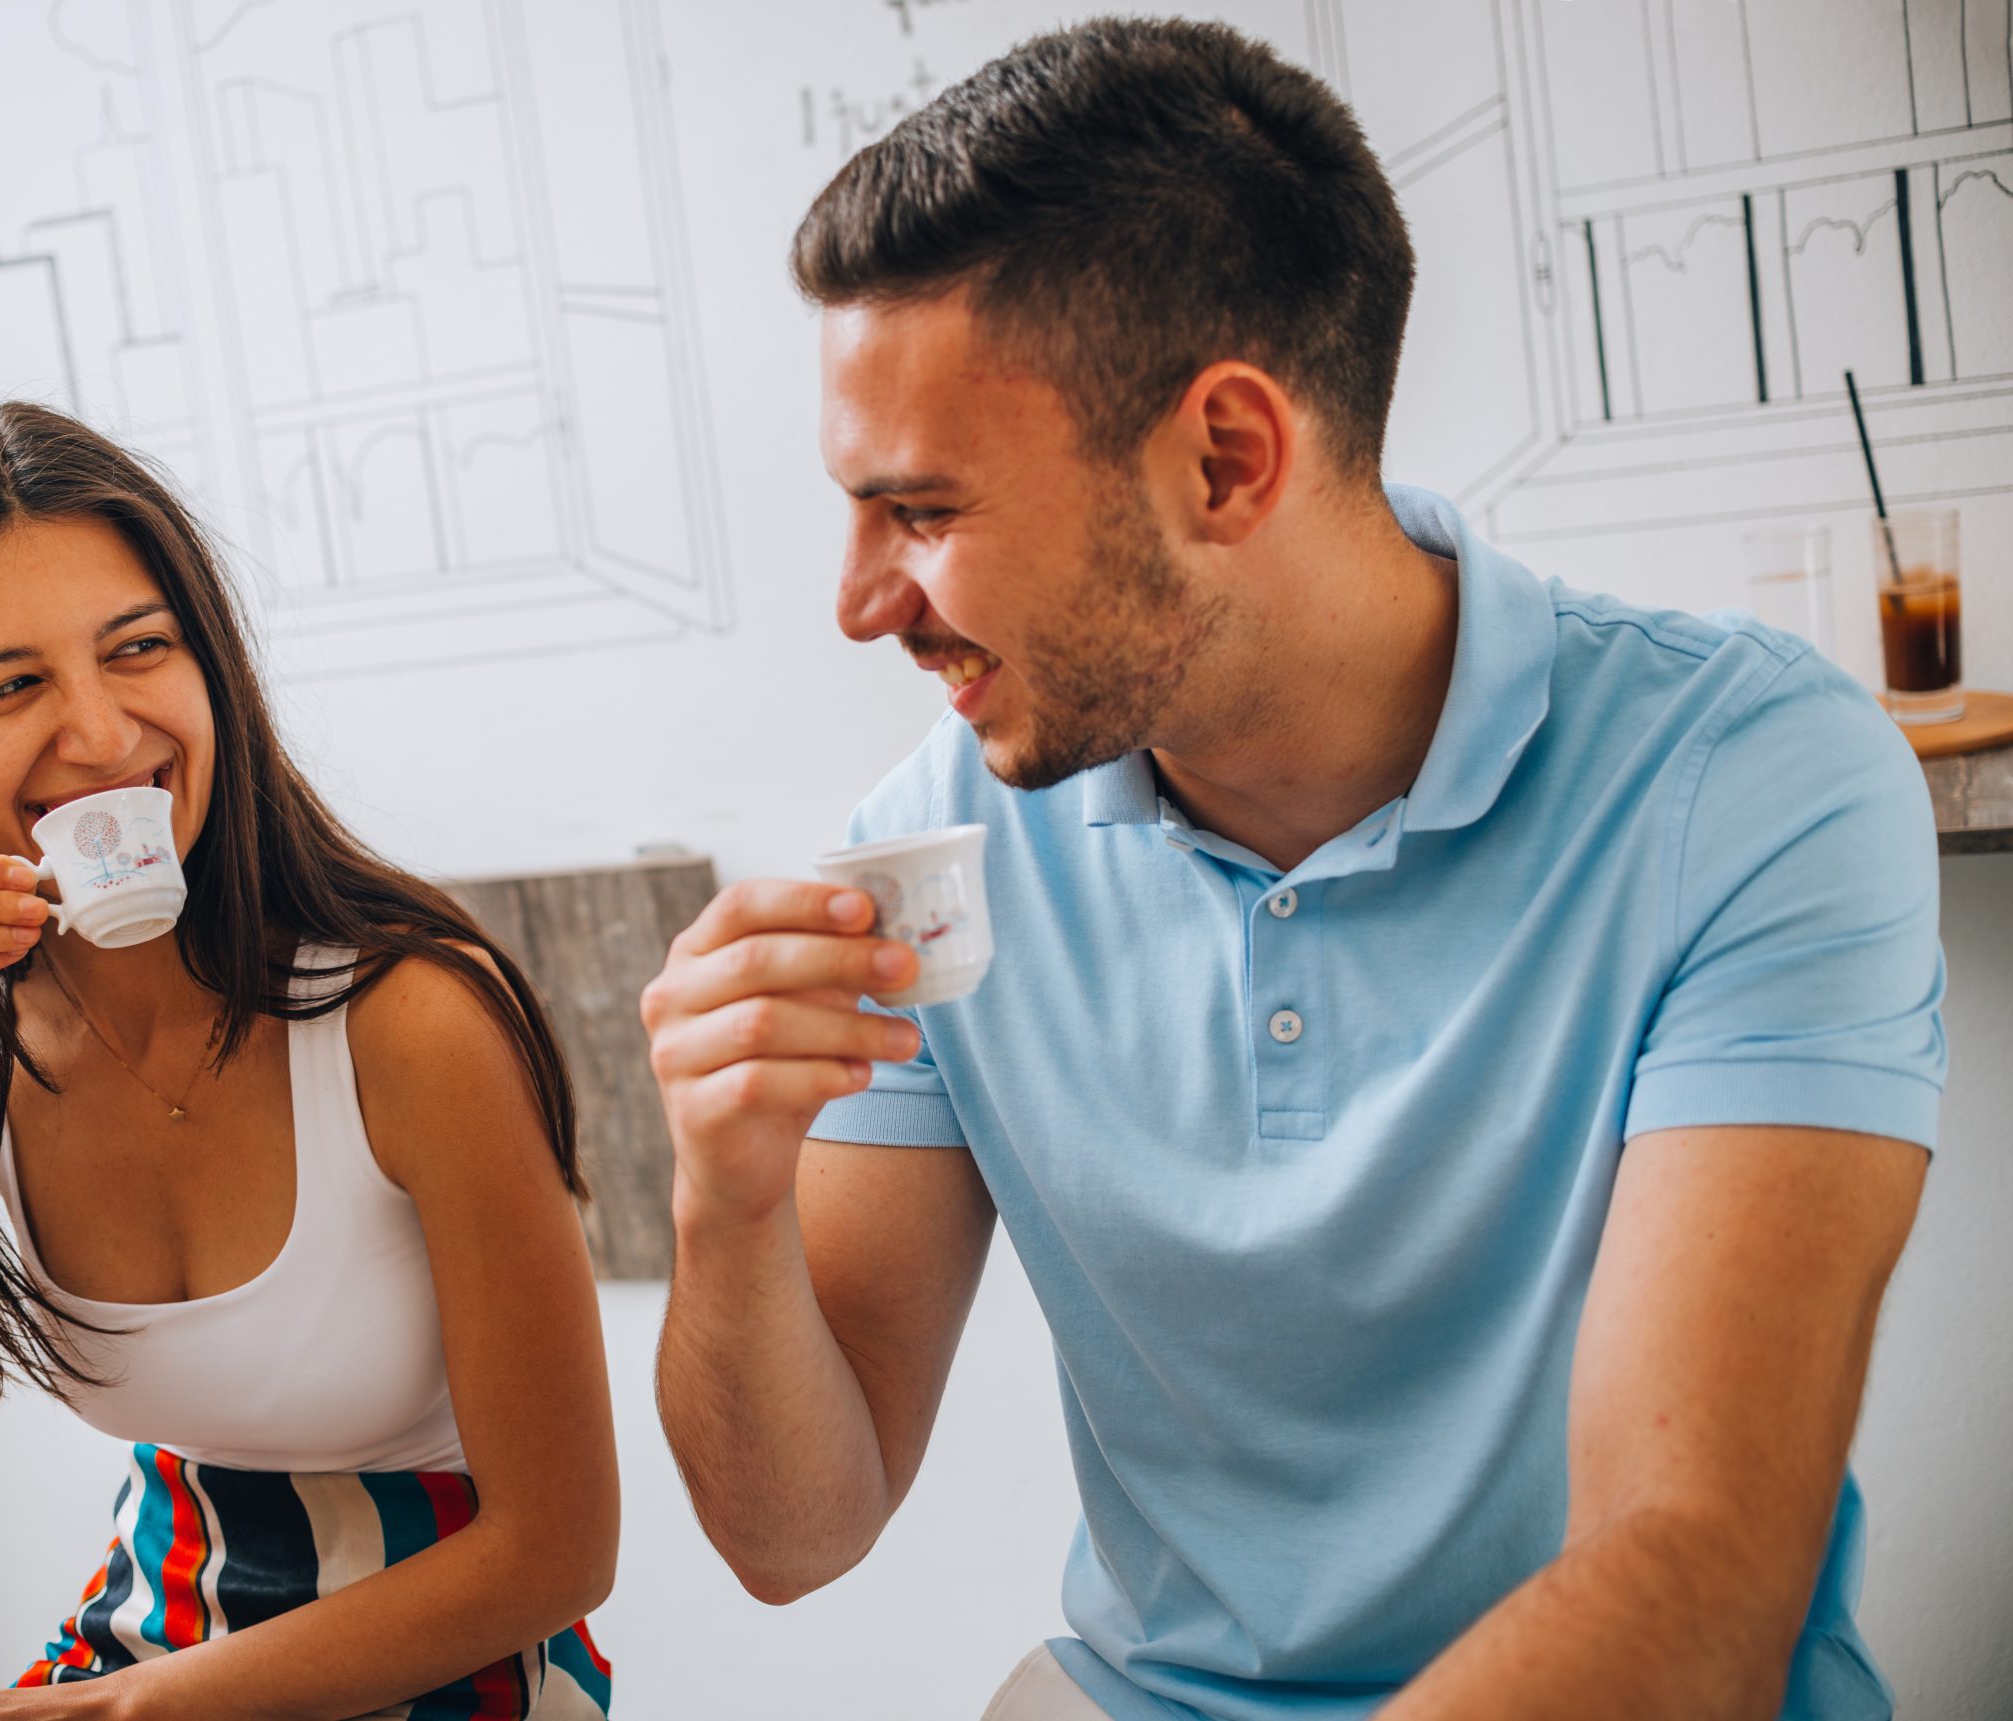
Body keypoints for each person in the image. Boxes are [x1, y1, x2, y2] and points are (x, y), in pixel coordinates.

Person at [643, 19, 1942, 1721]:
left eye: (928, 511)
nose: (862, 600)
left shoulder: (1753, 783)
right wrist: (724, 1208)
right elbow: (789, 1535)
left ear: (1227, 458)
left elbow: (1692, 1576)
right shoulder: (944, 844)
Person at [0, 401, 616, 1720]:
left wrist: (117, 1714)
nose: (100, 735)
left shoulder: (413, 1018)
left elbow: (558, 1550)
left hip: (459, 1644)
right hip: (171, 1606)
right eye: (8, 687)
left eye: (137, 649)